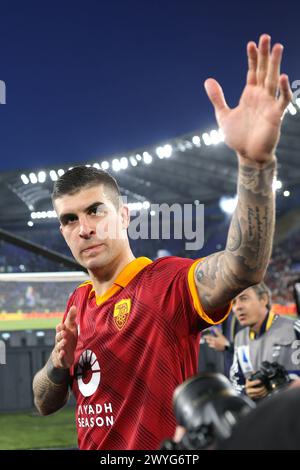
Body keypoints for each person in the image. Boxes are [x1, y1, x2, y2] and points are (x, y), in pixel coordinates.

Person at [32, 34, 293, 450]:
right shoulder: (77, 302)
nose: (84, 228)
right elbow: (44, 402)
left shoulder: (167, 283)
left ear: (123, 216)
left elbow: (243, 265)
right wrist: (58, 365)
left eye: (95, 211)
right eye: (69, 219)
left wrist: (254, 164)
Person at [230, 282, 300, 400]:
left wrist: (286, 382)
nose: (237, 307)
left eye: (244, 298)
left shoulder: (294, 328)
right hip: (263, 414)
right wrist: (246, 391)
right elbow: (236, 381)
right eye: (233, 302)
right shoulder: (239, 338)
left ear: (264, 299)